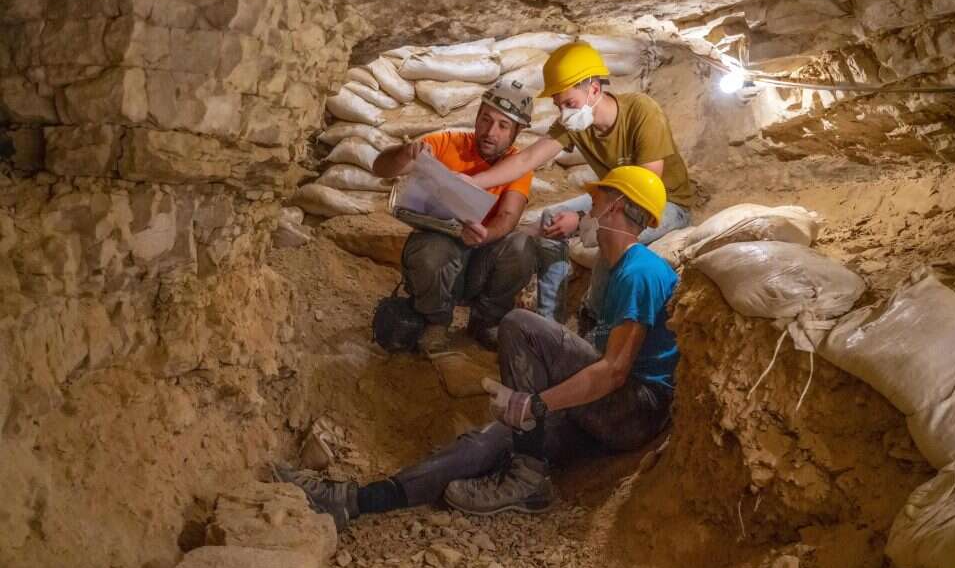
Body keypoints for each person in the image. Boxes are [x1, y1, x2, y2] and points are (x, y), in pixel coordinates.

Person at [274, 166, 680, 526]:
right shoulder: (618, 269)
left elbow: (614, 371)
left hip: (634, 408)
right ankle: (357, 500)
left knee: (521, 324)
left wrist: (536, 403)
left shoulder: (640, 271)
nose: (591, 208)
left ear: (618, 207)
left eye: (599, 199)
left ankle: (524, 471)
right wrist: (531, 409)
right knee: (494, 437)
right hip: (611, 410)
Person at [468, 41, 693, 326]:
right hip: (614, 198)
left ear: (595, 90)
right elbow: (527, 160)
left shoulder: (641, 112)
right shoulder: (576, 123)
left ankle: (593, 319)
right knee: (550, 219)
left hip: (663, 203)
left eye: (569, 103)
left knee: (610, 234)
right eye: (558, 105)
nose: (564, 113)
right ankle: (550, 322)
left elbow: (645, 188)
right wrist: (473, 181)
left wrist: (585, 219)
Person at [372, 80, 536, 353]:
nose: (490, 132)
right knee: (432, 250)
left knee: (521, 246)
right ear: (477, 116)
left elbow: (509, 215)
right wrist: (403, 154)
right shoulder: (447, 143)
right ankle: (435, 321)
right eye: (485, 120)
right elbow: (380, 168)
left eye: (503, 126)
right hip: (439, 254)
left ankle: (485, 321)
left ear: (517, 132)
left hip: (479, 259)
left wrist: (486, 235)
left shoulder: (518, 164)